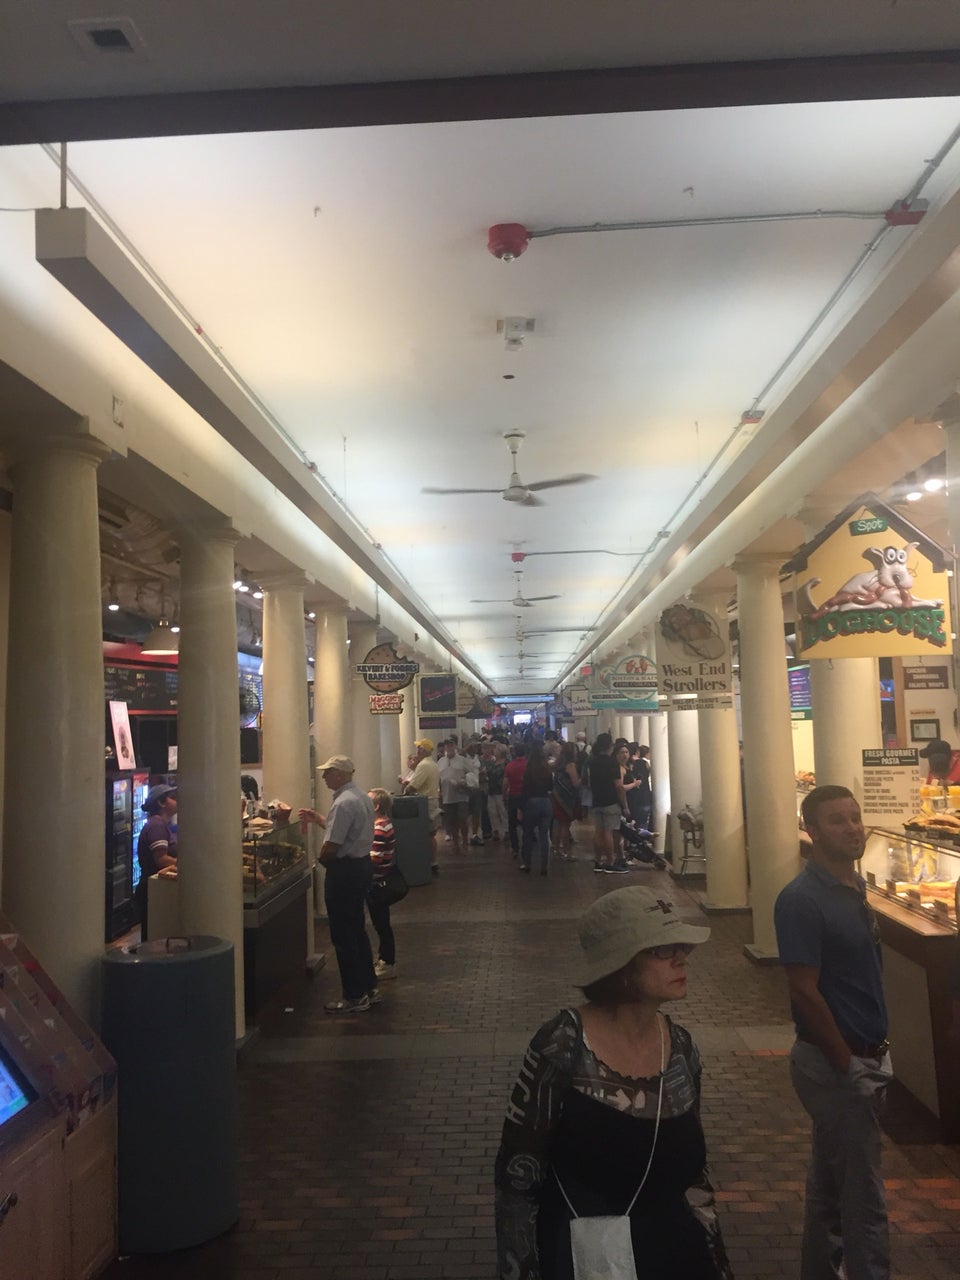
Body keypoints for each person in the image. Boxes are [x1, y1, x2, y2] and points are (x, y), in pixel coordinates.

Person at [495, 885, 732, 1280]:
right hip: (587, 1259)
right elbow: (517, 1181)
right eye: (661, 948)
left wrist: (719, 1265)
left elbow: (695, 1180)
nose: (681, 957)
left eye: (682, 946)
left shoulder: (681, 1050)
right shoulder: (563, 1045)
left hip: (677, 1257)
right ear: (619, 966)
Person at [774, 784, 892, 1280]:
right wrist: (846, 1063)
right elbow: (804, 990)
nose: (852, 827)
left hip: (863, 1057)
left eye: (855, 817)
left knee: (828, 1185)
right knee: (864, 1201)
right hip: (836, 1064)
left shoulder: (855, 886)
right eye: (837, 821)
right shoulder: (801, 900)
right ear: (812, 830)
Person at [300, 755, 378, 1014]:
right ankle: (369, 987)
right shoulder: (361, 797)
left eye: (328, 772)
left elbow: (333, 846)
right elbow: (347, 833)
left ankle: (354, 996)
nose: (323, 777)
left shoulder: (343, 803)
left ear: (341, 775)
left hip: (345, 871)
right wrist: (318, 819)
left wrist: (321, 861)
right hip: (361, 866)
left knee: (343, 935)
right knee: (357, 929)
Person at [135, 783, 177, 940]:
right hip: (152, 890)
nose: (177, 801)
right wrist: (184, 864)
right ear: (161, 803)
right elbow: (161, 859)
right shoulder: (157, 825)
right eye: (172, 798)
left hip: (153, 889)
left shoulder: (160, 824)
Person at [367, 787, 399, 981]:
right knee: (382, 923)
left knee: (381, 924)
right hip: (381, 880)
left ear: (377, 806)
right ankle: (384, 959)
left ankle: (387, 962)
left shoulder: (379, 827)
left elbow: (375, 859)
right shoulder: (384, 824)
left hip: (377, 882)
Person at [590, 732, 629, 874]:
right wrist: (624, 805)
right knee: (608, 832)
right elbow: (619, 786)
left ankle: (597, 860)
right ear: (609, 746)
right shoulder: (612, 763)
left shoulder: (592, 761)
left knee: (598, 832)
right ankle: (610, 861)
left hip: (597, 801)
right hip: (611, 801)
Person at [402, 737, 442, 867]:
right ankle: (432, 860)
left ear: (423, 750)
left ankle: (427, 861)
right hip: (432, 800)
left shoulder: (423, 765)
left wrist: (405, 789)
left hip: (425, 803)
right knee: (430, 834)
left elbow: (414, 786)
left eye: (419, 748)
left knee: (425, 834)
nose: (417, 750)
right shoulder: (433, 764)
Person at [520, 741, 553, 876]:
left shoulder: (528, 770)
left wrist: (521, 808)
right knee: (544, 836)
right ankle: (544, 866)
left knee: (527, 834)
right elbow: (551, 787)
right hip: (545, 802)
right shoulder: (547, 769)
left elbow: (525, 790)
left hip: (531, 802)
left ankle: (527, 864)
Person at [438, 738, 471, 853]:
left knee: (462, 818)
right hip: (447, 796)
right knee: (452, 820)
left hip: (461, 795)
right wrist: (439, 791)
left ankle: (465, 841)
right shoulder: (441, 762)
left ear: (455, 747)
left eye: (451, 746)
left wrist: (464, 783)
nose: (449, 748)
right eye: (447, 746)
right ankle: (456, 843)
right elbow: (439, 777)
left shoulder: (462, 760)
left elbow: (471, 773)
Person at [551, 741, 581, 859]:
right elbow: (575, 783)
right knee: (565, 825)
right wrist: (583, 780)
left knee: (558, 824)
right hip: (567, 798)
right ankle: (568, 852)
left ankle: (556, 847)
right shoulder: (571, 765)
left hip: (557, 796)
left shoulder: (557, 764)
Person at [503, 743, 528, 859]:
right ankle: (526, 847)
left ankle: (515, 848)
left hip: (513, 795)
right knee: (526, 823)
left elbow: (505, 783)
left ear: (514, 752)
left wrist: (504, 796)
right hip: (526, 796)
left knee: (512, 824)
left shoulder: (509, 766)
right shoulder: (529, 765)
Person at [486, 742, 509, 841]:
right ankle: (495, 830)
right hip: (491, 790)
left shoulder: (506, 763)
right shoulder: (492, 762)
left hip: (501, 790)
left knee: (503, 811)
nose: (494, 751)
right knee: (492, 811)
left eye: (496, 749)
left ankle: (507, 830)